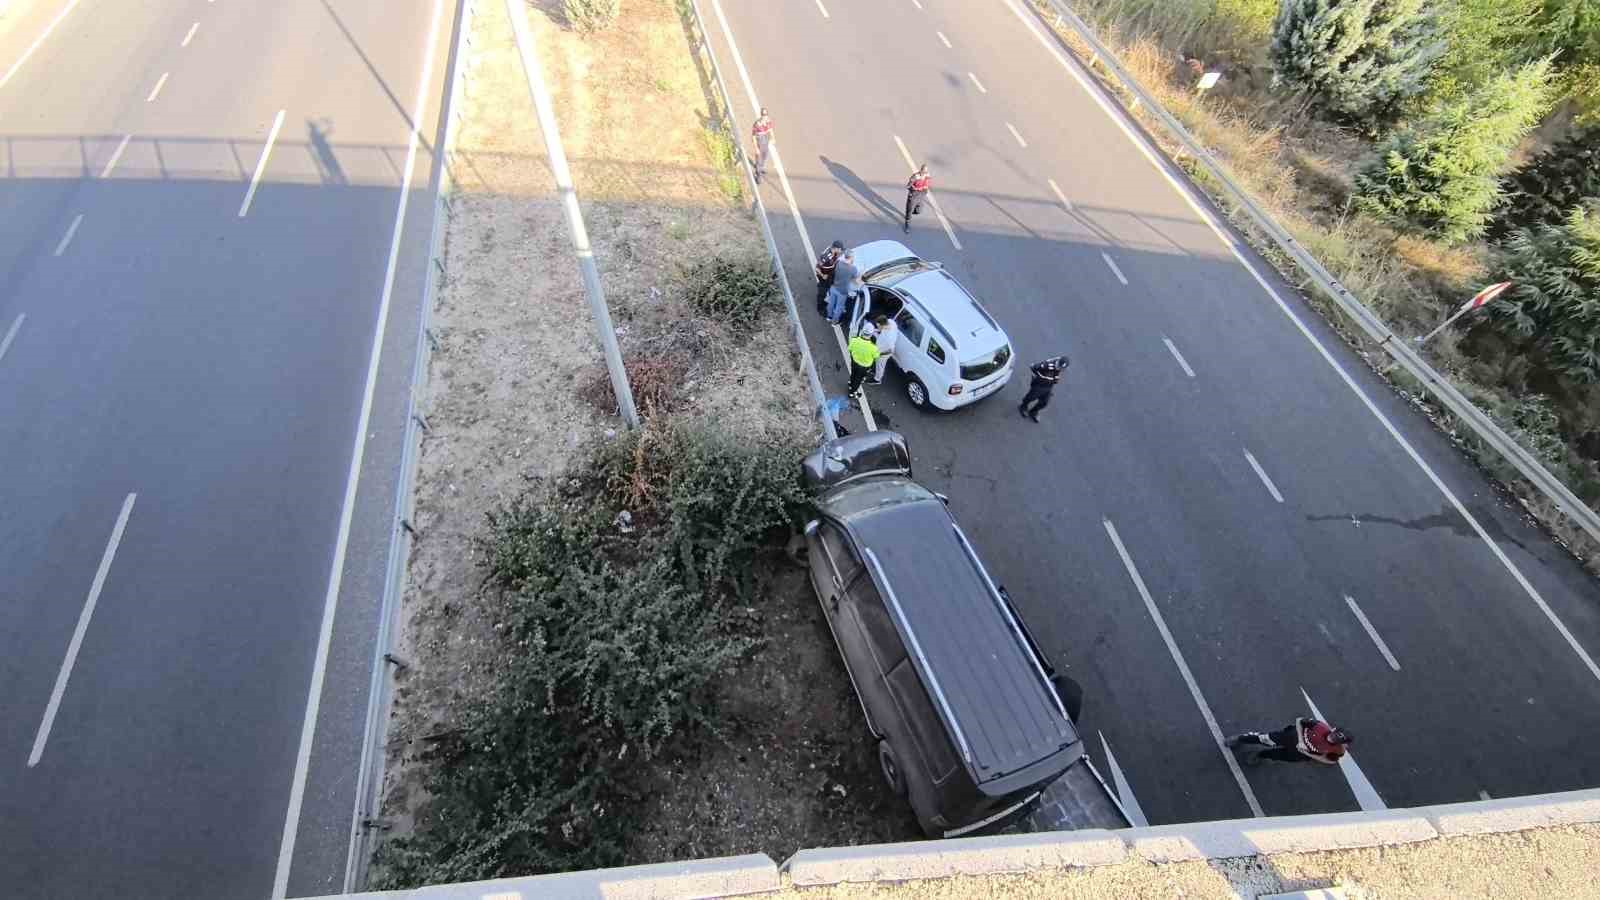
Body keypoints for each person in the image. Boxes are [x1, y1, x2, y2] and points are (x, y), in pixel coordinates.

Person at [1227, 718, 1352, 766]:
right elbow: (1299, 720)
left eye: (1337, 739)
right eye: (1335, 734)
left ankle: (1260, 755)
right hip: (1289, 737)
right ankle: (1240, 738)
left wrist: (1309, 754)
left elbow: (1330, 761)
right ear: (1334, 729)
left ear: (1341, 742)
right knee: (1264, 738)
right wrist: (1302, 741)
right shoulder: (1319, 726)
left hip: (1299, 754)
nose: (1333, 738)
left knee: (1277, 756)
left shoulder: (1338, 750)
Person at [1019, 355, 1069, 422]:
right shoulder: (1047, 365)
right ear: (1058, 363)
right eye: (1060, 368)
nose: (1061, 369)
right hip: (1039, 385)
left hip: (1048, 386)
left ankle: (1033, 412)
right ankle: (1023, 407)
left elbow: (1056, 374)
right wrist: (1036, 378)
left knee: (1044, 402)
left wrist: (1054, 380)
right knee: (1031, 397)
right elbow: (1033, 367)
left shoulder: (1059, 368)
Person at [826, 252, 858, 323]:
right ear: (851, 258)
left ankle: (829, 316)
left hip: (834, 287)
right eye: (853, 257)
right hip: (842, 292)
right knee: (839, 307)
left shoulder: (838, 263)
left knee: (831, 303)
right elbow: (855, 280)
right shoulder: (853, 269)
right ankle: (834, 321)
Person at [814, 240, 844, 316]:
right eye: (840, 249)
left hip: (830, 272)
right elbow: (817, 268)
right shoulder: (826, 257)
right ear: (836, 248)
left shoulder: (834, 252)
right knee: (822, 292)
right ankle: (820, 308)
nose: (841, 251)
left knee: (829, 285)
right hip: (824, 275)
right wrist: (822, 275)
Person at [847, 329, 880, 396]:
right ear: (870, 336)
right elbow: (876, 357)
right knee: (858, 379)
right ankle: (852, 392)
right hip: (864, 367)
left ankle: (850, 383)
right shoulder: (873, 348)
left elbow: (849, 349)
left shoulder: (854, 340)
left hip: (854, 362)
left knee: (853, 373)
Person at [903, 164, 931, 233]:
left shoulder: (927, 176)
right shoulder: (915, 177)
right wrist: (914, 189)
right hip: (914, 195)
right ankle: (907, 225)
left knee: (919, 211)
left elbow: (927, 184)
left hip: (921, 195)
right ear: (921, 170)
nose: (924, 173)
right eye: (923, 171)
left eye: (926, 171)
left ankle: (912, 212)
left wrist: (925, 191)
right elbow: (908, 186)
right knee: (909, 210)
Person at [871, 314, 897, 384]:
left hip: (883, 353)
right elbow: (881, 331)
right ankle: (875, 371)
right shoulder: (891, 322)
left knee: (880, 366)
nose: (877, 327)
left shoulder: (889, 338)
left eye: (878, 326)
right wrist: (875, 330)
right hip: (881, 348)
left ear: (882, 325)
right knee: (877, 364)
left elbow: (890, 350)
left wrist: (880, 354)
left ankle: (877, 379)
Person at [751, 108, 774, 182]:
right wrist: (756, 148)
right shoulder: (757, 124)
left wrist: (773, 137)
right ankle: (758, 174)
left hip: (766, 141)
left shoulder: (768, 122)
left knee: (765, 156)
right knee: (759, 158)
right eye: (763, 114)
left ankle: (761, 167)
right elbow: (753, 137)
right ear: (761, 115)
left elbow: (770, 130)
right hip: (759, 141)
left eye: (766, 114)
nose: (764, 116)